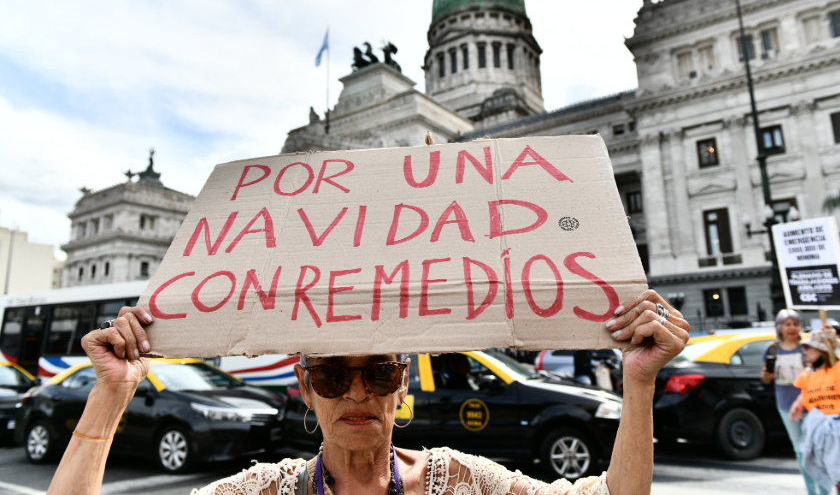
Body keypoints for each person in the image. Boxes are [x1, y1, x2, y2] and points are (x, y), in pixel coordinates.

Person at [43, 290, 689, 495]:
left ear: (400, 384)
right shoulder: (260, 492)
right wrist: (111, 393)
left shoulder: (460, 482)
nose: (356, 390)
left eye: (377, 373)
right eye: (332, 375)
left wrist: (637, 382)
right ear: (306, 389)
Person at [760, 309, 823, 495]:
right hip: (786, 404)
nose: (792, 328)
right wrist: (765, 376)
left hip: (812, 402)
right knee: (800, 449)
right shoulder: (772, 349)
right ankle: (812, 490)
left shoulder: (807, 346)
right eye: (788, 324)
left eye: (795, 324)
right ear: (779, 327)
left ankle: (824, 489)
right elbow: (765, 378)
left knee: (816, 448)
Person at [789, 326, 840, 494]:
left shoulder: (837, 369)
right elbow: (806, 390)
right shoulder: (808, 373)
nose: (804, 351)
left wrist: (836, 342)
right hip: (820, 432)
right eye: (803, 347)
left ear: (822, 349)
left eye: (808, 347)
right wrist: (798, 403)